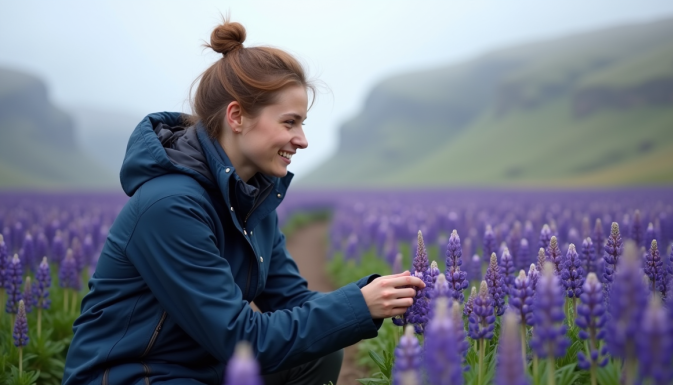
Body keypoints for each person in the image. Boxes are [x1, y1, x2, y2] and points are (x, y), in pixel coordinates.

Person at [62, 20, 424, 385]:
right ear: (237, 117)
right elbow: (241, 339)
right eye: (290, 122)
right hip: (137, 374)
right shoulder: (170, 206)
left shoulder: (252, 199)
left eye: (302, 123)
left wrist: (375, 293)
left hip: (205, 369)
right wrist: (358, 304)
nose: (302, 140)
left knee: (320, 353)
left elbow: (292, 301)